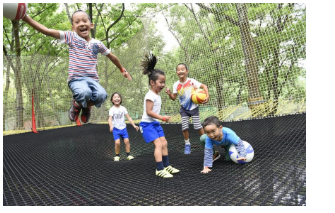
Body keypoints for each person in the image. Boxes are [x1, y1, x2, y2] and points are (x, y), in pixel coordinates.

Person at [22, 10, 132, 124]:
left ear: (91, 25)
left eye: (84, 21)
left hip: (92, 80)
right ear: (73, 28)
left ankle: (83, 106)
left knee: (102, 95)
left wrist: (122, 69)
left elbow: (112, 57)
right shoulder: (71, 37)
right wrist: (25, 17)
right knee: (85, 93)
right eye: (77, 22)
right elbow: (47, 31)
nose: (82, 24)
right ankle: (77, 104)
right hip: (76, 79)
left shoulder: (97, 44)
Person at [165, 63, 220, 161]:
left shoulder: (191, 81)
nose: (180, 71)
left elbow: (204, 86)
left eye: (183, 69)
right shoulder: (176, 84)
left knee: (198, 126)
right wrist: (169, 94)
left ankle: (206, 142)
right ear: (177, 72)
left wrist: (207, 96)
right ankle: (187, 144)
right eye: (178, 69)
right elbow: (173, 98)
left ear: (187, 71)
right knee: (184, 127)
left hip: (193, 108)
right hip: (184, 109)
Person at [139, 53, 180, 178]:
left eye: (164, 82)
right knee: (158, 144)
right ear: (152, 82)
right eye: (160, 82)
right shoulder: (150, 95)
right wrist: (162, 117)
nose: (162, 85)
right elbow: (149, 112)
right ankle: (159, 169)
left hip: (155, 124)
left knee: (164, 143)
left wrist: (169, 94)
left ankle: (166, 165)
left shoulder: (156, 94)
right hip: (147, 125)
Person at [108, 92, 139, 161]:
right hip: (116, 129)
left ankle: (128, 155)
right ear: (112, 100)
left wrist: (134, 125)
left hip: (123, 128)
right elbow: (110, 119)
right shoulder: (112, 109)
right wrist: (111, 126)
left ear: (121, 99)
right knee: (117, 142)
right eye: (115, 97)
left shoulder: (123, 108)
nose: (117, 98)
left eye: (118, 97)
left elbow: (129, 118)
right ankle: (117, 155)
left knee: (127, 141)